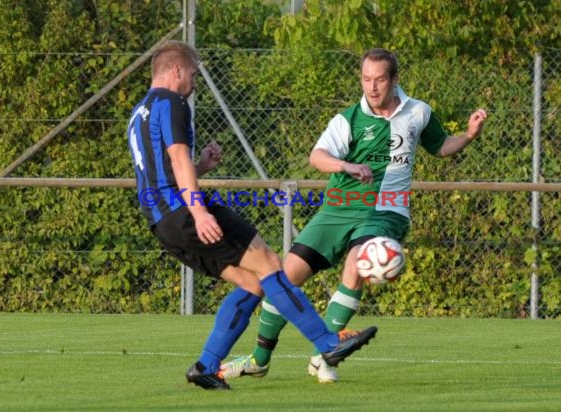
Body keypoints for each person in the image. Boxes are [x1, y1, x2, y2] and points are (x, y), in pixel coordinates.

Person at [221, 47, 488, 383]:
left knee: (357, 262)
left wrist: (468, 136)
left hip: (386, 209)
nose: (372, 87)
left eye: (379, 80)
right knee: (283, 281)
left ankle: (326, 355)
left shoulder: (418, 112)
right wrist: (345, 165)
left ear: (394, 80)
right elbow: (317, 156)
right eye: (366, 79)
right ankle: (259, 360)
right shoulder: (347, 119)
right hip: (337, 209)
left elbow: (439, 146)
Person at [126, 40, 378, 390]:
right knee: (271, 265)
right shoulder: (172, 103)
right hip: (186, 211)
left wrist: (203, 167)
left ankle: (205, 366)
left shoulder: (139, 112)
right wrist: (199, 211)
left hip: (162, 223)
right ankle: (328, 343)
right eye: (194, 72)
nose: (195, 81)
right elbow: (179, 161)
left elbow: (165, 171)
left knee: (253, 282)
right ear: (177, 69)